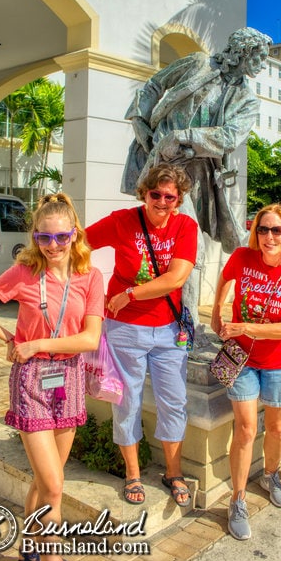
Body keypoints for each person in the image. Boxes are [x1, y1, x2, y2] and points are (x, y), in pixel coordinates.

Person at [0, 193, 105, 561]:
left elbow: (89, 339)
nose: (53, 245)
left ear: (75, 235)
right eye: (44, 238)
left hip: (69, 378)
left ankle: (29, 542)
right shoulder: (25, 273)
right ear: (35, 238)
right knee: (54, 486)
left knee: (46, 481)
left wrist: (36, 342)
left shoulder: (90, 277)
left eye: (61, 237)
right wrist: (8, 338)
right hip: (31, 383)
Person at [121, 28, 272, 352]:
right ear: (241, 52)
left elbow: (230, 136)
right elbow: (154, 85)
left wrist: (183, 136)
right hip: (160, 166)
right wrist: (139, 119)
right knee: (181, 249)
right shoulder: (198, 64)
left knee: (185, 248)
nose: (258, 65)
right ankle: (180, 325)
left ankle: (179, 323)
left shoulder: (246, 99)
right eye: (256, 57)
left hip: (199, 175)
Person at [85, 163, 197, 506]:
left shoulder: (185, 226)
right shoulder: (123, 221)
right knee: (128, 402)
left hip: (168, 331)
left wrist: (129, 293)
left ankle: (173, 472)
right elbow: (78, 244)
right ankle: (133, 474)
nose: (162, 202)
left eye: (170, 196)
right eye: (156, 194)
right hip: (125, 329)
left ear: (178, 200)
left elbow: (176, 278)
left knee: (174, 402)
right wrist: (83, 290)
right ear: (144, 194)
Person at [211, 203, 281, 540]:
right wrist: (216, 312)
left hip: (280, 362)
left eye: (277, 230)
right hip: (242, 358)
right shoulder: (242, 257)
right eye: (263, 229)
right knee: (245, 428)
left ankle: (270, 475)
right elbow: (224, 278)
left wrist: (242, 325)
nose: (269, 236)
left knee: (277, 428)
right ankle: (237, 499)